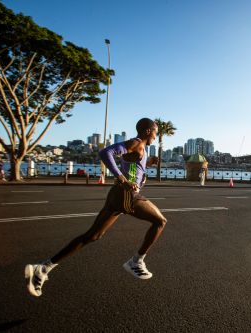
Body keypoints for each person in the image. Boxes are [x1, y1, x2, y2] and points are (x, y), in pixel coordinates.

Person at [25, 118, 166, 297]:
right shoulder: (135, 143)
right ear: (148, 131)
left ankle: (43, 268)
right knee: (160, 221)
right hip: (127, 195)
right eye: (155, 132)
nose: (156, 136)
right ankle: (136, 261)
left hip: (118, 195)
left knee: (93, 236)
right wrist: (122, 179)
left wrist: (148, 163)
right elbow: (105, 153)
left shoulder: (140, 149)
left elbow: (131, 165)